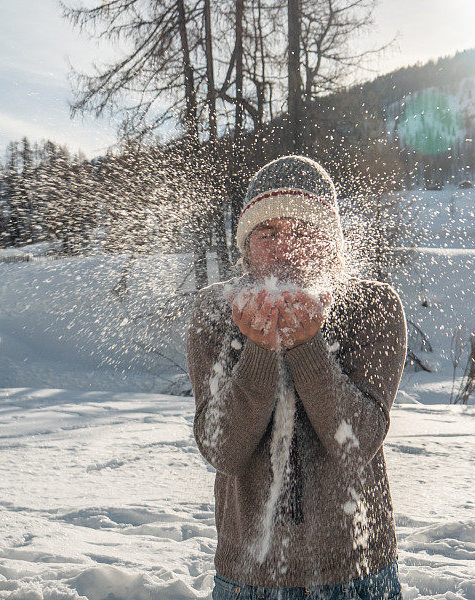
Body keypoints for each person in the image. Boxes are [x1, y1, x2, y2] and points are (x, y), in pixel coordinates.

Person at [186, 155, 407, 600]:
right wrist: (260, 352)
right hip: (249, 577)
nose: (285, 248)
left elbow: (356, 442)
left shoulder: (371, 307)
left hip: (357, 570)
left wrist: (308, 348)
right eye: (267, 233)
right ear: (246, 248)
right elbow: (222, 449)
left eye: (304, 232)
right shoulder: (217, 311)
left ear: (333, 246)